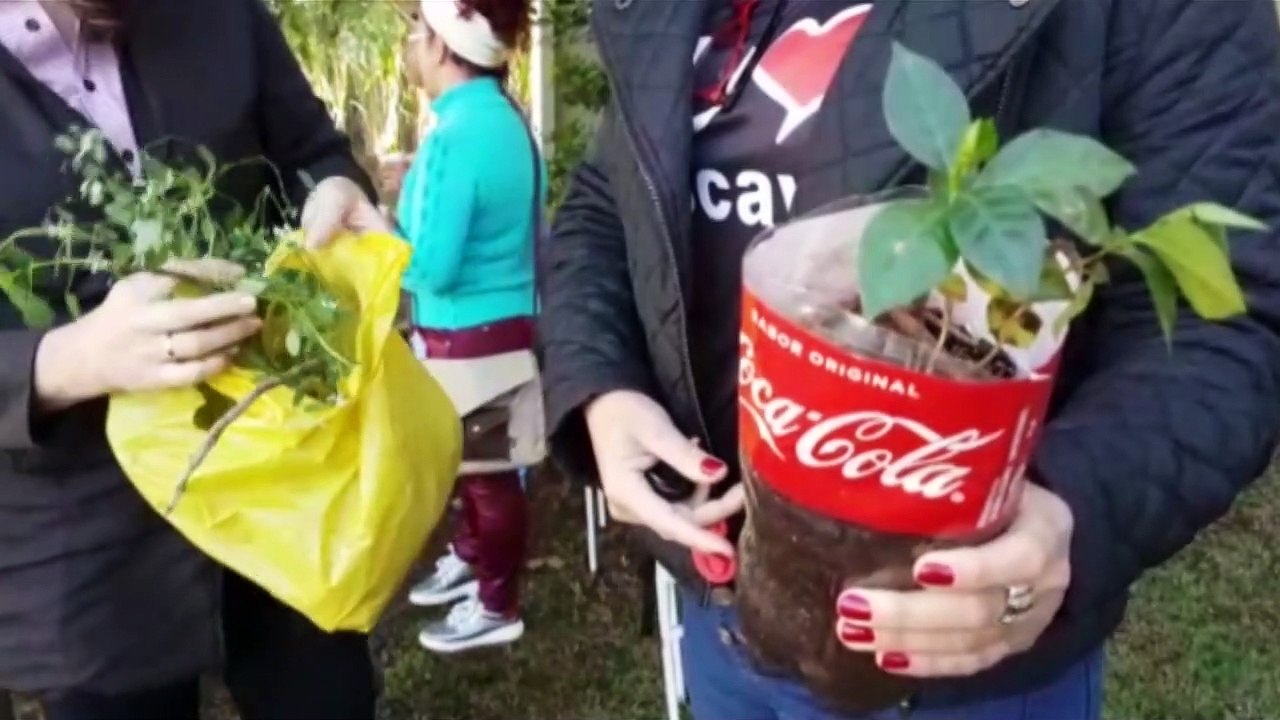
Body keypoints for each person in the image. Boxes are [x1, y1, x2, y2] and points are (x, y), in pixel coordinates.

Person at [539, 0, 1280, 718]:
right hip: (723, 611)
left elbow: (1226, 324)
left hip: (949, 651)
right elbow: (608, 196)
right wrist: (602, 386)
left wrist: (1073, 506)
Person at [0, 1, 390, 718]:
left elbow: (312, 152)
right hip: (87, 552)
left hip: (279, 478)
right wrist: (65, 360)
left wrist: (336, 192)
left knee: (323, 695)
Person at [396, 0, 543, 654]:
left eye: (415, 31)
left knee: (486, 476)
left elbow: (431, 267)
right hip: (504, 328)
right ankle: (473, 556)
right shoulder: (507, 121)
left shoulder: (454, 139)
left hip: (463, 338)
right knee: (479, 468)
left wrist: (378, 231)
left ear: (440, 44)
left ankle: (495, 603)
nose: (410, 45)